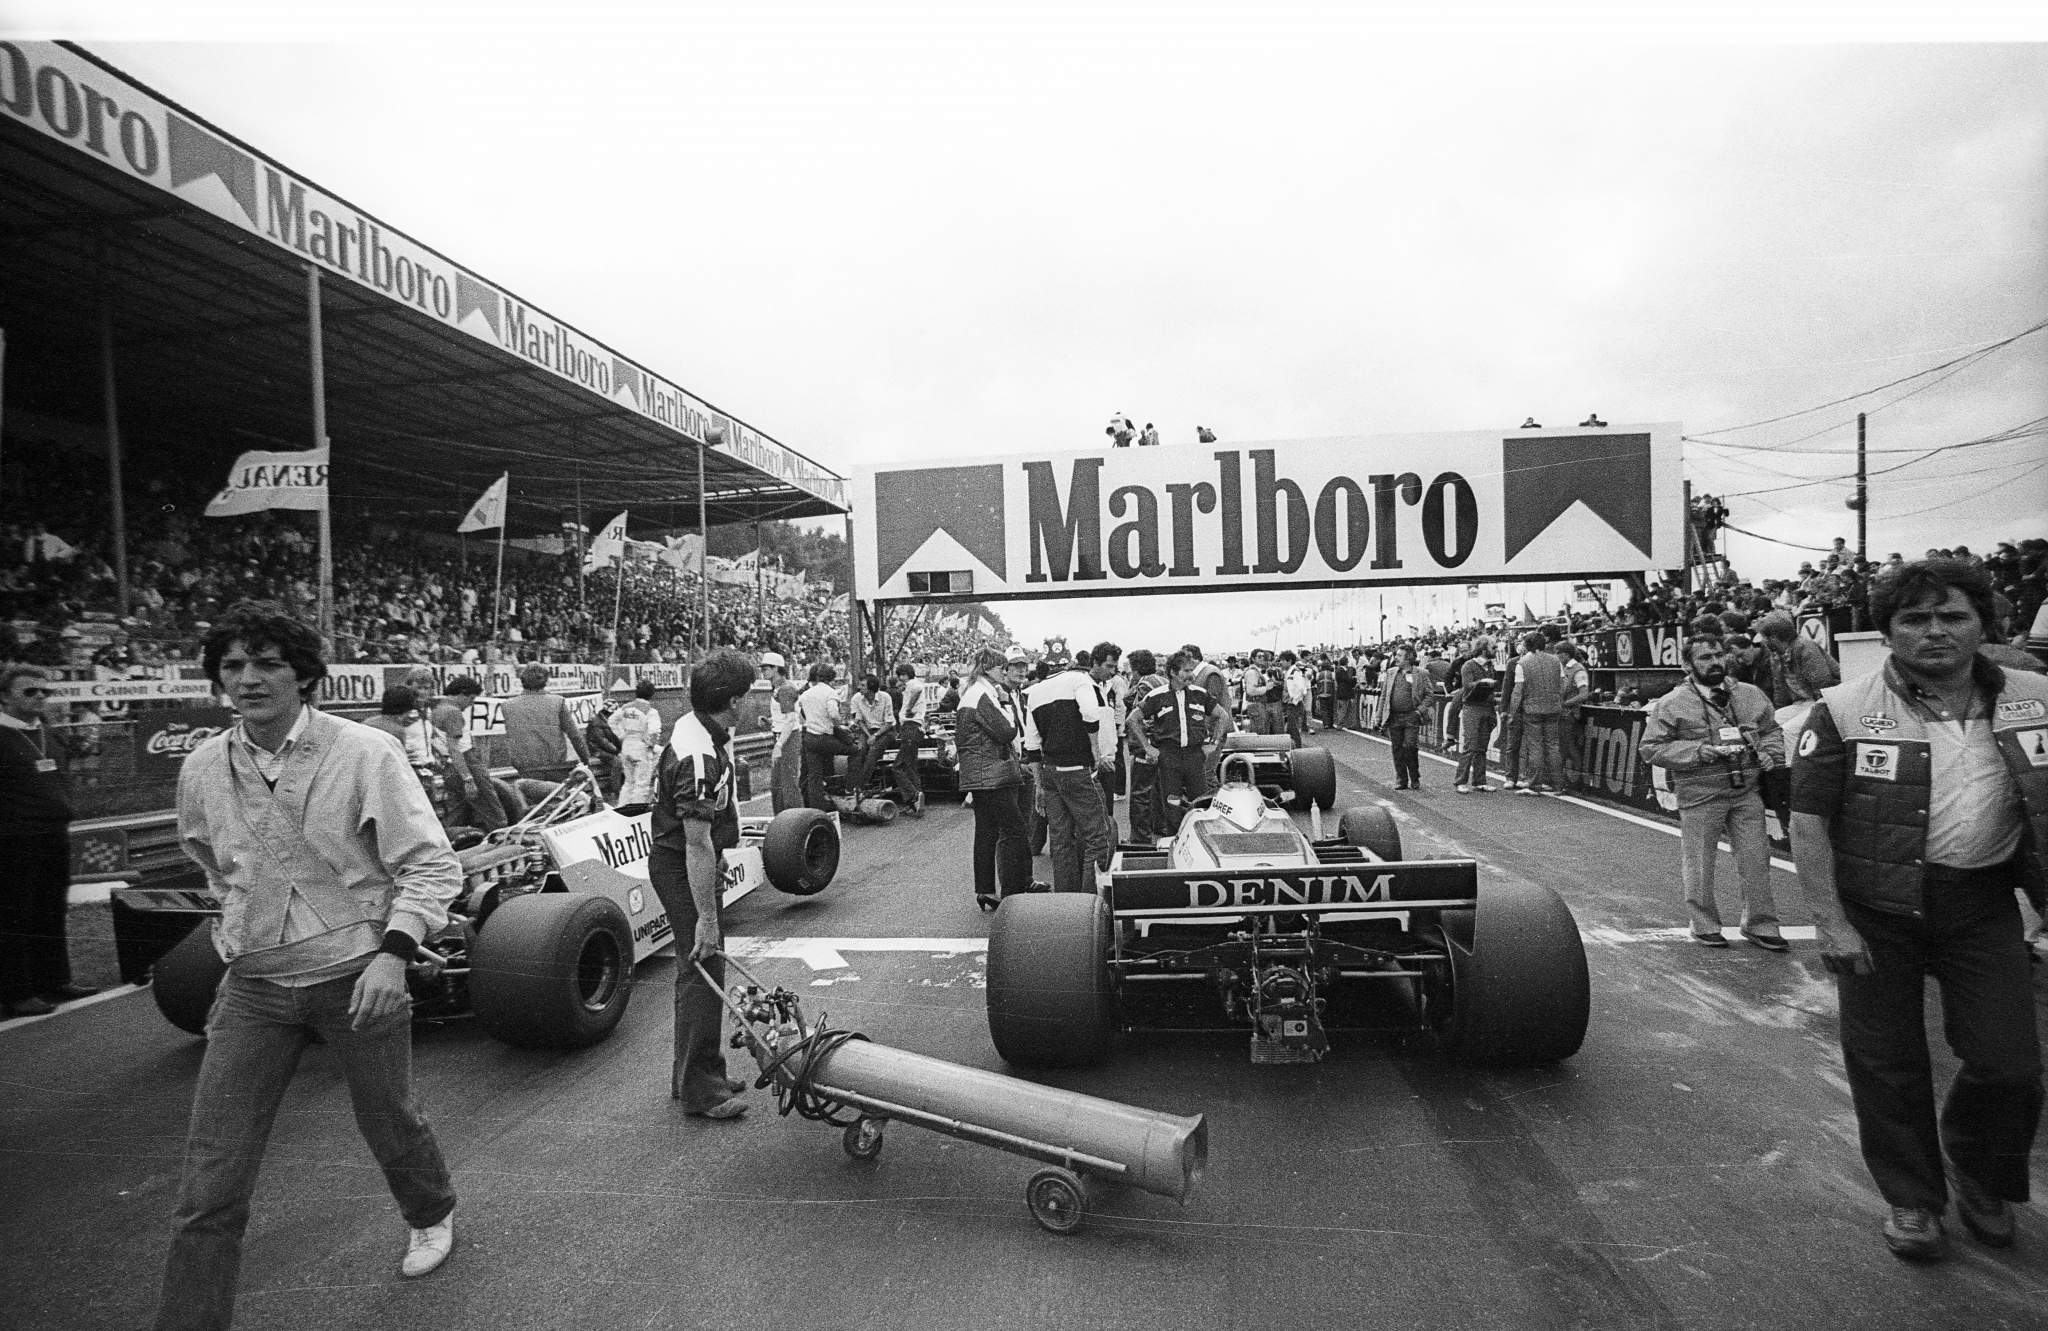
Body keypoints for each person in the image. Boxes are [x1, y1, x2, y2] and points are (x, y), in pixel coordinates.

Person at [155, 601, 462, 1330]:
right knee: (211, 1178)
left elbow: (430, 865)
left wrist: (393, 956)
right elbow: (212, 864)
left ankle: (432, 1212)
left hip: (358, 973)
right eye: (233, 665)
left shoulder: (363, 751)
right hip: (256, 985)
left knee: (389, 1114)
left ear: (304, 674)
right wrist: (240, 935)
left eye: (267, 662)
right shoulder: (201, 766)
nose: (249, 678)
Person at [1791, 559, 2048, 1261]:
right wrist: (1832, 921)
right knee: (1887, 1060)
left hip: (1982, 899)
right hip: (1877, 908)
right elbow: (1808, 818)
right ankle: (1912, 1199)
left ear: (1982, 623)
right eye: (1915, 619)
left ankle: (1980, 1170)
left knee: (2011, 1063)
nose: (1935, 631)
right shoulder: (1844, 707)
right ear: (1889, 632)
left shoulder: (2037, 696)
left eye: (1952, 615)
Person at [645, 648, 757, 1121]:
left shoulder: (705, 730)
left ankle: (699, 1069)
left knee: (705, 970)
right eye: (744, 697)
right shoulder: (697, 754)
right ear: (730, 701)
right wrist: (707, 917)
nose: (747, 705)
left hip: (687, 859)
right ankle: (700, 1090)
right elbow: (695, 845)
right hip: (681, 863)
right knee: (702, 966)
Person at [1640, 635, 1787, 950]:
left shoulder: (1749, 694)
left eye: (1719, 655)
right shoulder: (1671, 703)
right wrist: (1698, 751)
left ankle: (1761, 924)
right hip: (1700, 793)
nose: (1715, 662)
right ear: (1687, 665)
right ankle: (1703, 923)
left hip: (1746, 792)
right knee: (1700, 862)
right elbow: (1651, 748)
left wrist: (1771, 754)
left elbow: (1772, 729)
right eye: (1705, 657)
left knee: (1756, 860)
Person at [1, 665, 98, 1018]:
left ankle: (54, 979)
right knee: (15, 915)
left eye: (45, 692)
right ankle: (16, 990)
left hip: (52, 832)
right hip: (13, 839)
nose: (40, 697)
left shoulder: (46, 732)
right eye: (29, 692)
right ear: (5, 696)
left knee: (51, 909)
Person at [1023, 645, 1117, 895]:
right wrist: (1096, 749)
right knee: (1099, 837)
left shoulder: (1033, 692)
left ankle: (1067, 901)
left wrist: (1039, 786)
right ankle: (1089, 900)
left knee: (1061, 840)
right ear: (1069, 663)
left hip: (1050, 771)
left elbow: (1031, 745)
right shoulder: (1079, 679)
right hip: (1077, 768)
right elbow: (1089, 714)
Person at [956, 647, 1032, 910]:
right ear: (989, 668)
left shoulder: (972, 692)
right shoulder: (984, 694)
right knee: (1015, 829)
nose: (1005, 671)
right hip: (992, 773)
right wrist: (1005, 702)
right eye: (1001, 667)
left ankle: (985, 889)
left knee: (986, 832)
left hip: (979, 773)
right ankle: (1013, 891)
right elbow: (1007, 731)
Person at [1135, 650, 1229, 835]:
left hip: (1195, 756)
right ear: (1173, 672)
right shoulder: (1157, 695)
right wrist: (1147, 746)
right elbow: (1132, 719)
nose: (1190, 675)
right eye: (1186, 671)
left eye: (1191, 670)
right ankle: (1175, 838)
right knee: (1172, 803)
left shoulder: (1200, 694)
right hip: (1169, 756)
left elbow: (1223, 716)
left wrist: (1213, 743)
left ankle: (1201, 838)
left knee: (1200, 802)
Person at [405, 669, 507, 832]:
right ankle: (504, 838)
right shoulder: (453, 712)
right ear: (462, 695)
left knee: (457, 811)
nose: (471, 704)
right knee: (492, 809)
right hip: (464, 763)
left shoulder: (435, 709)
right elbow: (454, 748)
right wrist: (467, 777)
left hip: (446, 766)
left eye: (427, 688)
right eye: (471, 699)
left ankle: (453, 839)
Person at [499, 663, 591, 783]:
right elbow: (575, 736)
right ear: (545, 681)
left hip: (526, 767)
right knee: (561, 797)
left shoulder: (507, 705)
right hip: (556, 764)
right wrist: (586, 761)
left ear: (522, 681)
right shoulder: (557, 701)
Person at [1509, 630, 1567, 794]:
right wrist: (1556, 699)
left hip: (1532, 709)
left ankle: (1535, 784)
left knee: (1535, 746)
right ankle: (1558, 785)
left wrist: (1512, 713)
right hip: (1553, 708)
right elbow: (1563, 685)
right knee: (1553, 745)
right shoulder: (1556, 661)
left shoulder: (1522, 663)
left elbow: (1517, 692)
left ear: (1526, 646)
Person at [1122, 649, 1167, 843]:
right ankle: (1161, 828)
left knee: (1140, 793)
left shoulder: (1144, 684)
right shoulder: (1162, 680)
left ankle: (1140, 839)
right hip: (1164, 743)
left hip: (1147, 744)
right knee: (1159, 790)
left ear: (1136, 669)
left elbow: (1137, 715)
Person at [797, 662, 856, 811]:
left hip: (809, 737)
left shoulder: (805, 694)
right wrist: (840, 725)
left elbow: (801, 716)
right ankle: (851, 787)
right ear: (832, 679)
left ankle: (817, 809)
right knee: (856, 751)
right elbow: (834, 714)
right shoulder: (830, 692)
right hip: (824, 737)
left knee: (814, 775)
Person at [1378, 646, 1433, 790]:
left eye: (1399, 655)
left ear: (1408, 658)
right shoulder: (1390, 673)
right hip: (1394, 716)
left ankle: (1414, 776)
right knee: (1397, 749)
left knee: (1409, 746)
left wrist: (1419, 711)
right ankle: (1401, 779)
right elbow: (1384, 696)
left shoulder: (1421, 673)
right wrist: (1378, 717)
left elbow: (1429, 695)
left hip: (1411, 716)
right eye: (1396, 655)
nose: (1396, 657)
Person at [612, 679, 664, 809]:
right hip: (641, 746)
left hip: (627, 745)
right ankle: (636, 811)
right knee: (641, 783)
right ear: (652, 694)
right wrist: (650, 745)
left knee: (628, 782)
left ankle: (621, 807)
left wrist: (622, 735)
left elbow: (611, 721)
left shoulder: (625, 708)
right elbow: (654, 731)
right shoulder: (650, 711)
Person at [760, 652, 802, 813]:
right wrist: (770, 720)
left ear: (776, 668)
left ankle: (797, 822)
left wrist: (779, 745)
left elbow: (791, 720)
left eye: (766, 668)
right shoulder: (778, 688)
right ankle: (780, 821)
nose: (763, 671)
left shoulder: (785, 689)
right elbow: (784, 716)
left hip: (788, 739)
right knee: (777, 785)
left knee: (788, 784)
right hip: (781, 736)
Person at [844, 673, 897, 797]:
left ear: (871, 687)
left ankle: (860, 787)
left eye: (862, 685)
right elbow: (859, 720)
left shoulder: (885, 697)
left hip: (885, 730)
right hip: (867, 730)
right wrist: (869, 735)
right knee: (858, 751)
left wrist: (876, 736)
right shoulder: (856, 698)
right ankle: (849, 787)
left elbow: (889, 722)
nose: (859, 687)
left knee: (873, 752)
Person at [893, 662, 931, 818]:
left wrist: (908, 708)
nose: (900, 679)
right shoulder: (910, 685)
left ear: (904, 674)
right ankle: (915, 802)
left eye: (901, 675)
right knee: (910, 766)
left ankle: (913, 796)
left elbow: (917, 690)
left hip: (911, 726)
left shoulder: (913, 684)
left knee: (898, 766)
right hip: (914, 728)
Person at [1557, 641, 1593, 788]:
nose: (1557, 656)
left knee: (1570, 747)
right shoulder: (1564, 668)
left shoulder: (1578, 670)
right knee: (1563, 748)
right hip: (1562, 714)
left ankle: (1578, 781)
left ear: (1565, 654)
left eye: (1558, 653)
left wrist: (1565, 704)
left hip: (1570, 714)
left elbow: (1583, 694)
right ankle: (1564, 781)